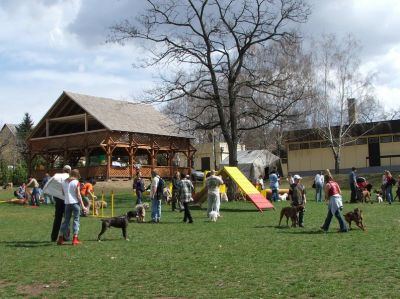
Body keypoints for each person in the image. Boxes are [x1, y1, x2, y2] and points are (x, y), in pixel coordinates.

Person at [57, 169, 87, 245]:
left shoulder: (64, 182)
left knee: (66, 221)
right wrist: (83, 206)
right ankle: (75, 239)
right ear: (77, 175)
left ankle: (60, 238)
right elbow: (78, 195)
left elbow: (63, 193)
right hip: (75, 203)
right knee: (76, 220)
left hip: (67, 203)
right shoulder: (76, 182)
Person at [43, 165, 71, 242]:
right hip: (67, 200)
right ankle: (66, 237)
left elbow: (49, 182)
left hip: (58, 199)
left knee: (57, 219)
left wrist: (46, 190)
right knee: (67, 219)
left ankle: (54, 237)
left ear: (63, 170)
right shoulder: (70, 178)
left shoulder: (57, 176)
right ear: (69, 171)